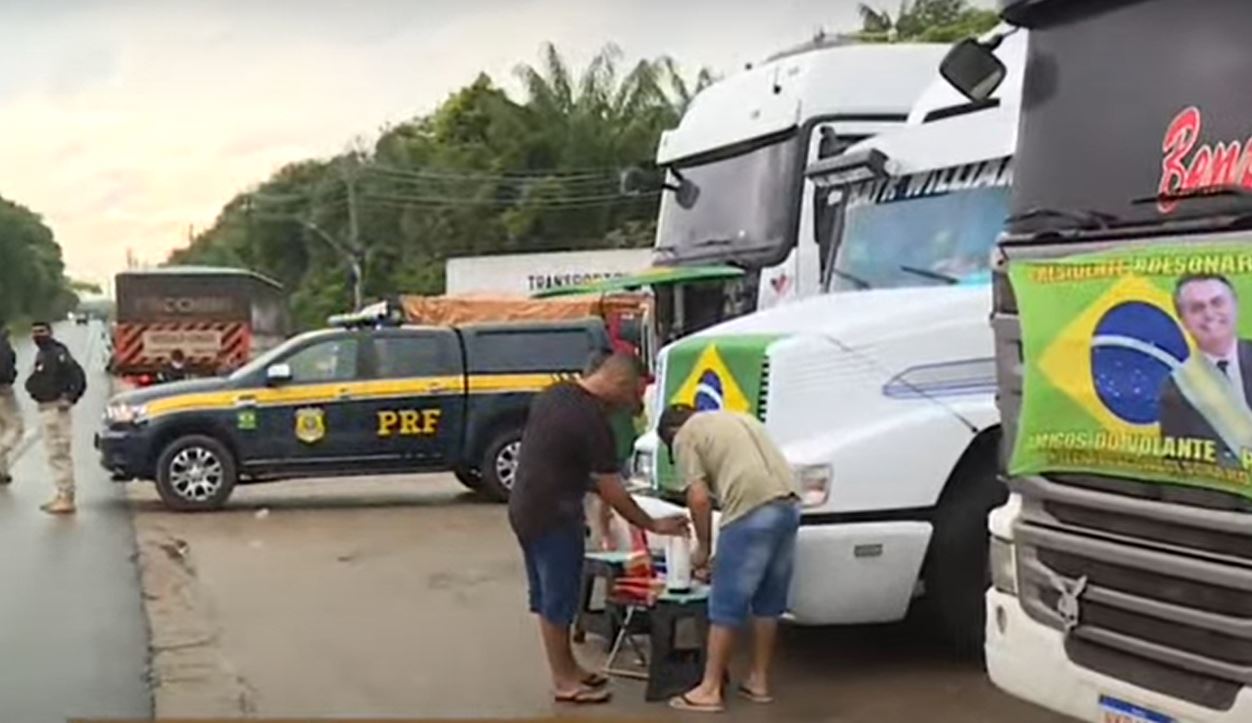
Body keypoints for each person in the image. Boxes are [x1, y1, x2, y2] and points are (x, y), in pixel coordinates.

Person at [509, 352, 688, 706]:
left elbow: (559, 460)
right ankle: (564, 681)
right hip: (554, 515)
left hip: (525, 508)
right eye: (636, 395)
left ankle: (569, 668)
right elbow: (613, 490)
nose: (635, 405)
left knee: (548, 596)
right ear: (619, 384)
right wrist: (653, 524)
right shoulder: (592, 421)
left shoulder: (554, 394)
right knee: (558, 600)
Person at [658, 404, 801, 714]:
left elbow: (697, 498)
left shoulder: (686, 435)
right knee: (768, 600)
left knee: (725, 602)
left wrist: (704, 549)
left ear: (671, 433)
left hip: (749, 508)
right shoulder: (740, 417)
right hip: (789, 505)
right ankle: (758, 681)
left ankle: (709, 690)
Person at [1158, 274, 1252, 467]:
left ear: (1235, 306)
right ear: (1183, 321)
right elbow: (1179, 463)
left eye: (1217, 302)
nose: (1209, 314)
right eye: (1197, 308)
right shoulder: (1176, 388)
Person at [25, 322, 86, 514]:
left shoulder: (57, 354)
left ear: (50, 332)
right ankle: (62, 494)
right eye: (34, 332)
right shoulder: (43, 353)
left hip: (55, 408)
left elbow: (78, 378)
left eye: (42, 331)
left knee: (59, 453)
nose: (37, 335)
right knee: (54, 454)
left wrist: (69, 397)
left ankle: (66, 496)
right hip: (45, 407)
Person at [0, 326, 22, 485]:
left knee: (1, 430)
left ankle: (2, 471)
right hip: (3, 390)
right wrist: (11, 376)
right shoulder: (3, 345)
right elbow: (6, 367)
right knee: (15, 427)